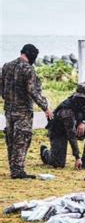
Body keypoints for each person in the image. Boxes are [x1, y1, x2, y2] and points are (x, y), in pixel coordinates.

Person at [0, 44, 53, 179]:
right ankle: (18, 170)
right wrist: (45, 107)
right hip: (23, 110)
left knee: (11, 138)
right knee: (22, 139)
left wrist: (8, 99)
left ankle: (14, 168)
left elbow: (2, 87)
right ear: (32, 56)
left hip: (9, 109)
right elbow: (32, 91)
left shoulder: (7, 66)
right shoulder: (28, 70)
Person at [40, 83, 85, 170]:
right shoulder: (67, 110)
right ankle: (45, 152)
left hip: (76, 127)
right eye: (82, 98)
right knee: (58, 164)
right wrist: (77, 157)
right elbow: (71, 134)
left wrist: (84, 122)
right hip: (59, 131)